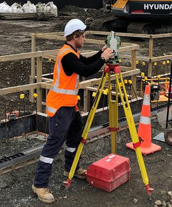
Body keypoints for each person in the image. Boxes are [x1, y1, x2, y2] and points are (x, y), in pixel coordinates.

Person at [32, 19, 114, 203]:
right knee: (53, 145)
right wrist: (103, 59)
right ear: (74, 37)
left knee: (74, 139)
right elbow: (85, 70)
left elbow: (85, 61)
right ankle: (39, 184)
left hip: (70, 105)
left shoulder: (73, 52)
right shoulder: (66, 56)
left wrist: (100, 53)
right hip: (60, 107)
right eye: (83, 36)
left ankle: (71, 169)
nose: (85, 39)